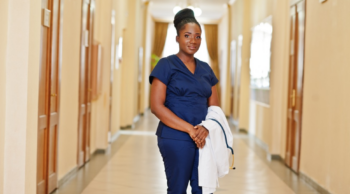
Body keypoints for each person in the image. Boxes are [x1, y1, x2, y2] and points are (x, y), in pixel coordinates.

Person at [149, 8, 219, 194]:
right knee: (177, 189)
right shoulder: (166, 65)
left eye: (197, 37)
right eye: (187, 35)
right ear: (177, 38)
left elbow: (215, 108)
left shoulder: (206, 69)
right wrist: (190, 129)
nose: (193, 41)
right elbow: (156, 106)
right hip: (175, 137)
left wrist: (205, 128)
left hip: (204, 138)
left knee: (203, 189)